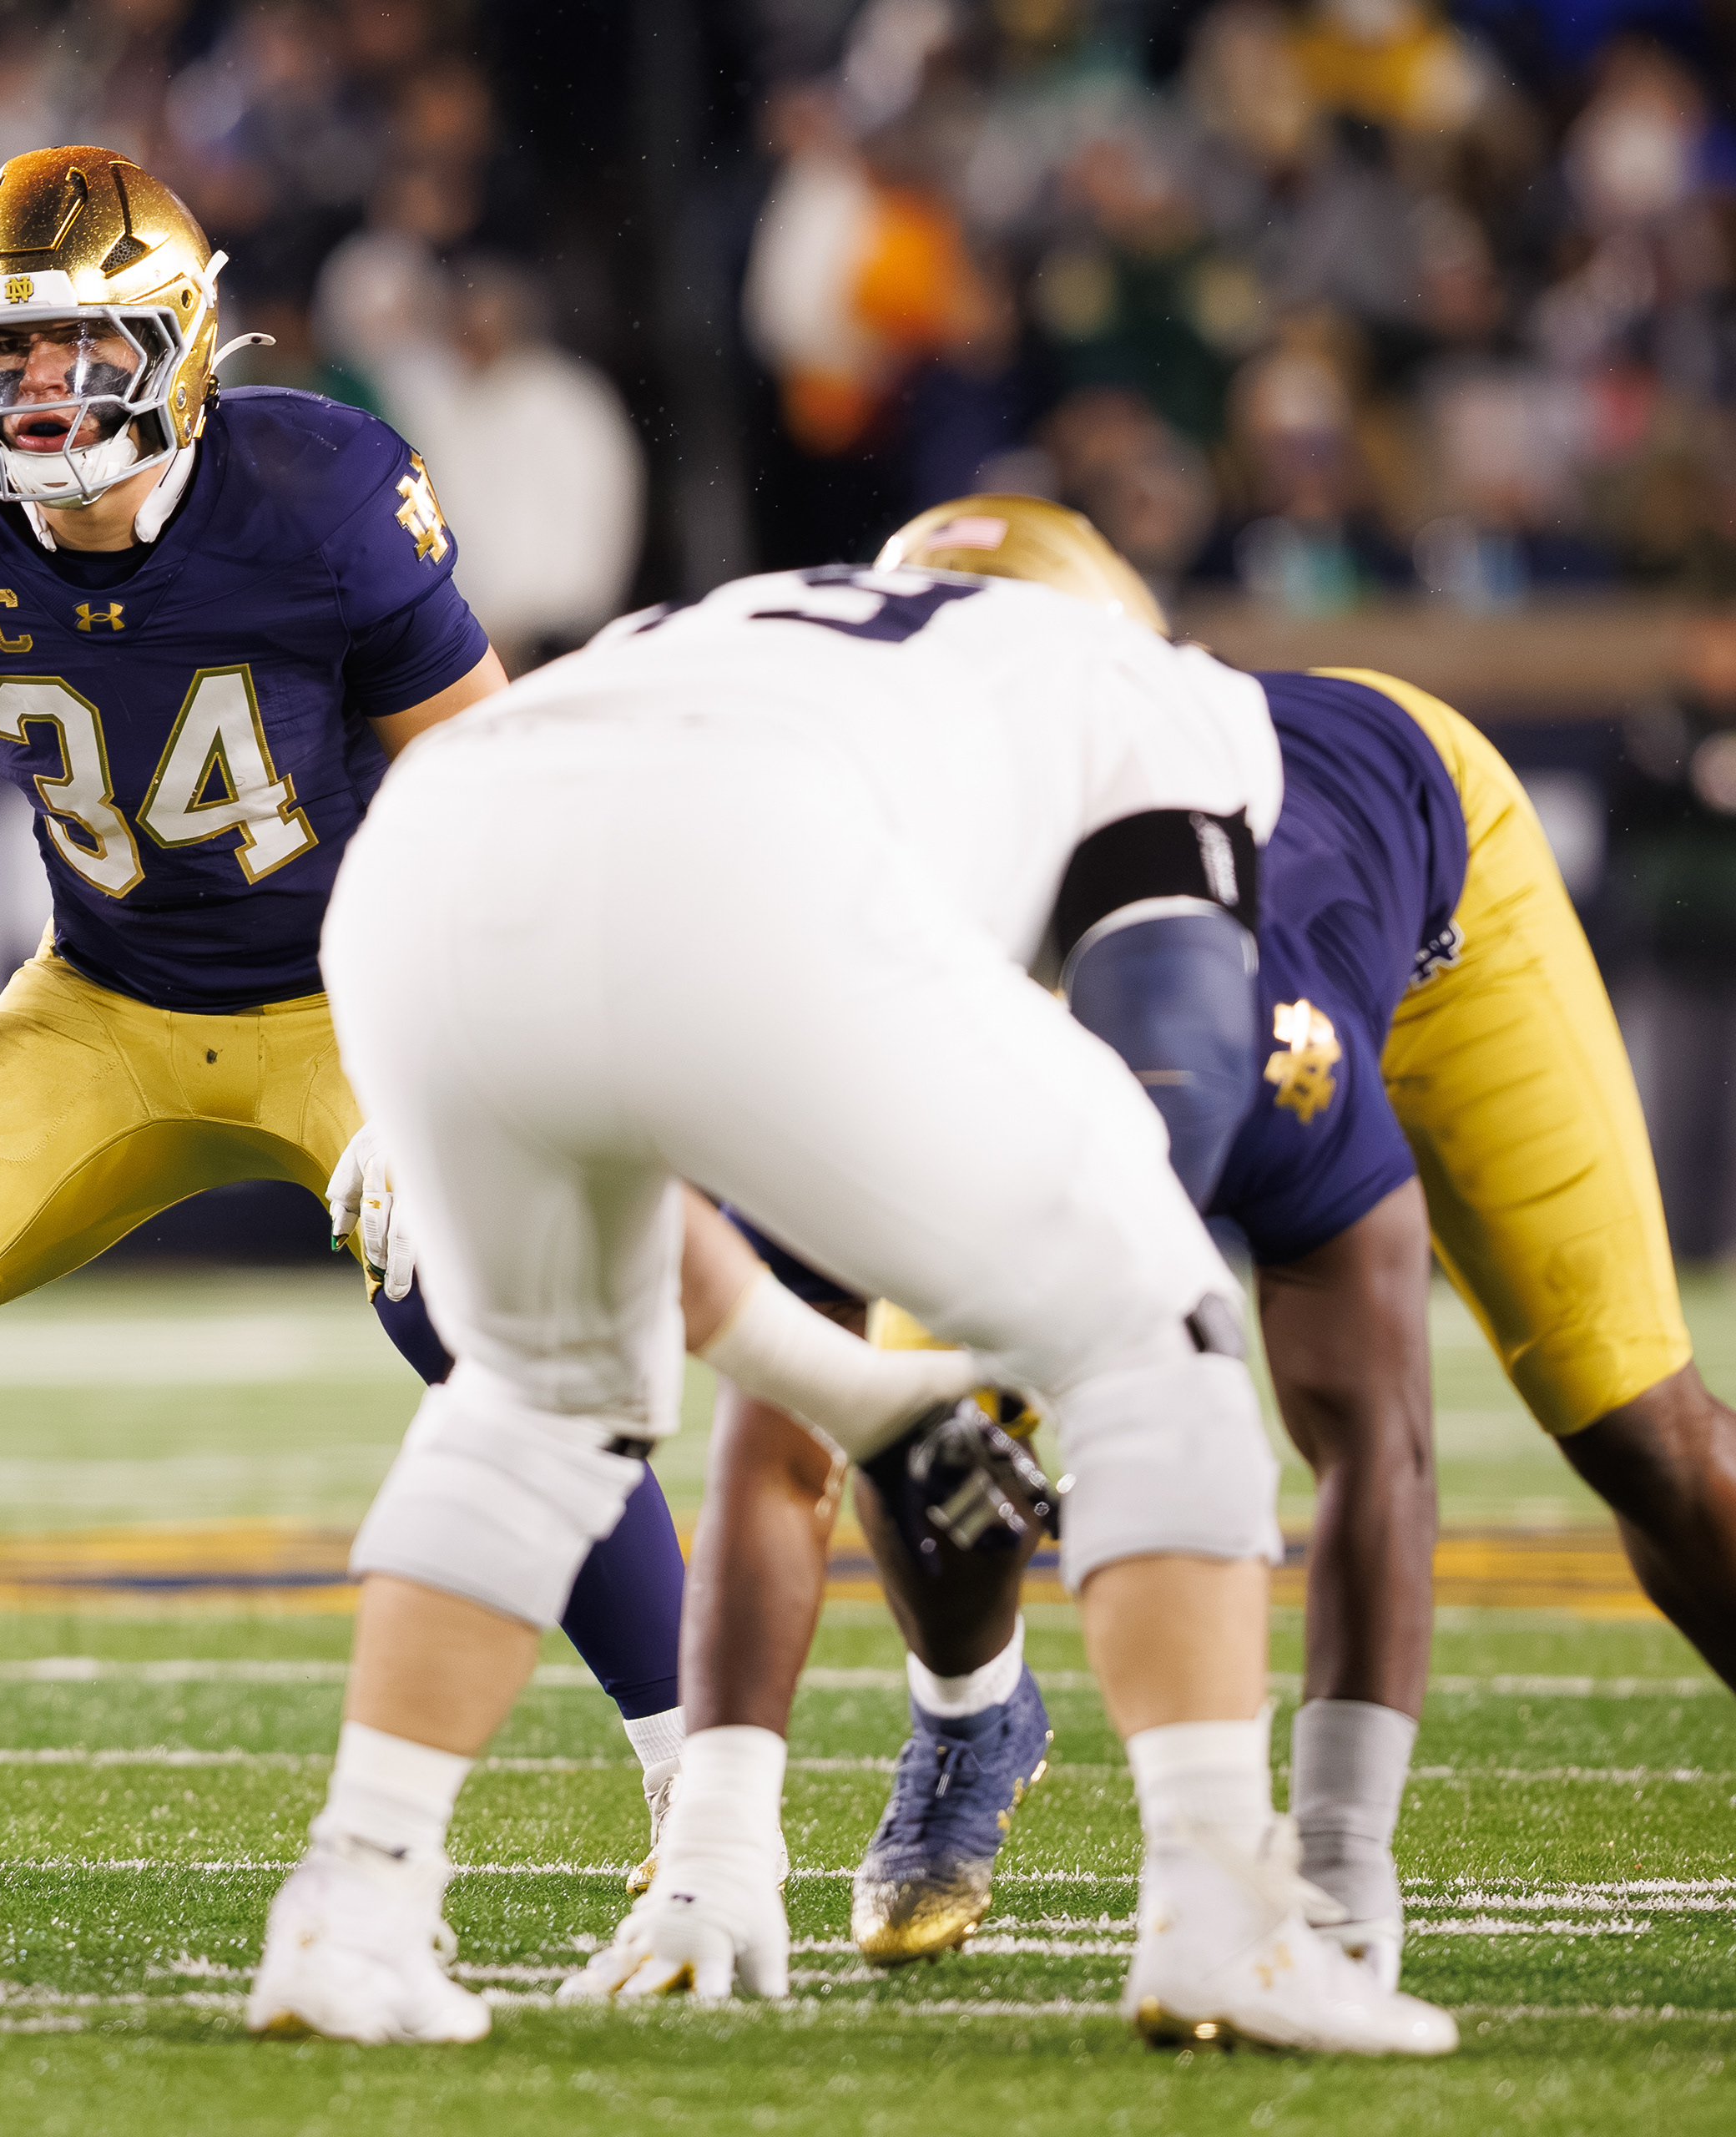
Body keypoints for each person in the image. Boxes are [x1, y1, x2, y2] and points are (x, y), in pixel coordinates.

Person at [0, 144, 964, 1890]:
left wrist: (434, 1065)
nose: (40, 388)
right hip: (105, 1006)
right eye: (4, 352)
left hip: (359, 1002)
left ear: (180, 341)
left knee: (497, 1327)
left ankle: (698, 1785)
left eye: (80, 343)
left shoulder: (317, 500)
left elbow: (495, 799)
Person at [254, 555, 1457, 2057]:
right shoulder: (1166, 709)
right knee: (1165, 1325)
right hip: (741, 858)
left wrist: (861, 1391)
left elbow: (655, 1145)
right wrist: (1060, 1313)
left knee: (534, 1396)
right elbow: (1178, 1064)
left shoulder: (813, 644)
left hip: (425, 863)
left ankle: (352, 1908)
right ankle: (1225, 1912)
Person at [760, 499, 1736, 1989]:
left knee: (1638, 1428)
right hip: (1132, 1009)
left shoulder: (1243, 950)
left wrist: (1338, 1866)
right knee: (928, 1429)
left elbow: (1377, 1430)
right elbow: (792, 1415)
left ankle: (1328, 1851)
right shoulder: (870, 888)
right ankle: (966, 1719)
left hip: (1435, 926)